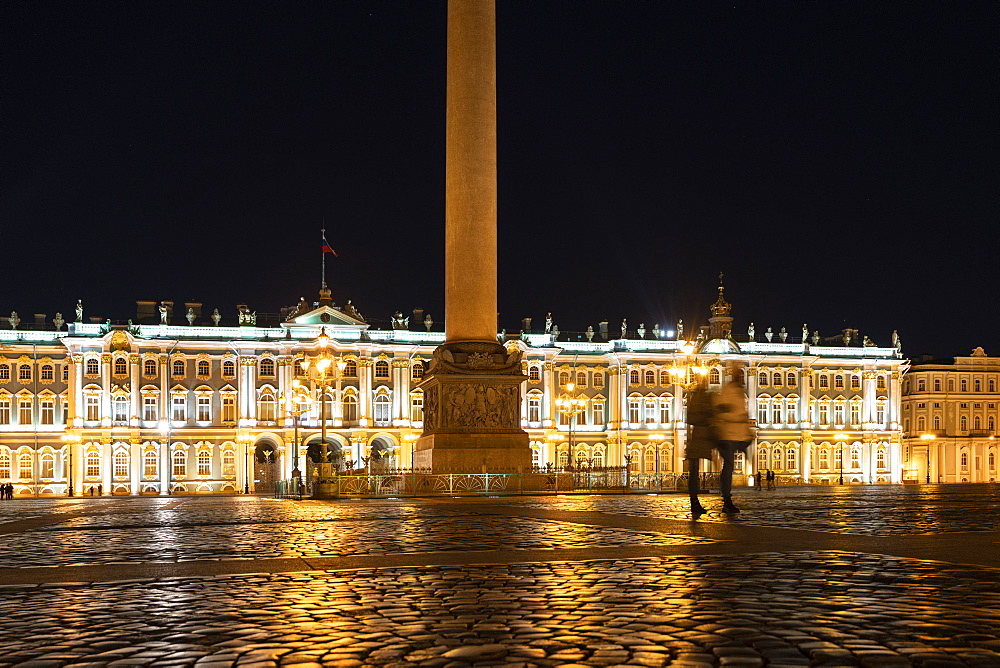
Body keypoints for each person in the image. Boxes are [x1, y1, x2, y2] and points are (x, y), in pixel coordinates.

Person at [712, 366, 753, 513]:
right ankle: (726, 498)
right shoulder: (729, 391)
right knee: (728, 466)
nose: (741, 377)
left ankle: (727, 497)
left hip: (735, 434)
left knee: (729, 465)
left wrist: (745, 427)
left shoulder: (738, 391)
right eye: (739, 374)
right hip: (727, 435)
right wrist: (739, 418)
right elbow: (721, 411)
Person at [685, 376, 715, 516]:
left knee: (694, 471)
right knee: (694, 472)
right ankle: (694, 501)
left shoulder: (698, 396)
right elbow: (691, 418)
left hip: (700, 436)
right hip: (699, 436)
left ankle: (694, 501)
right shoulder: (699, 397)